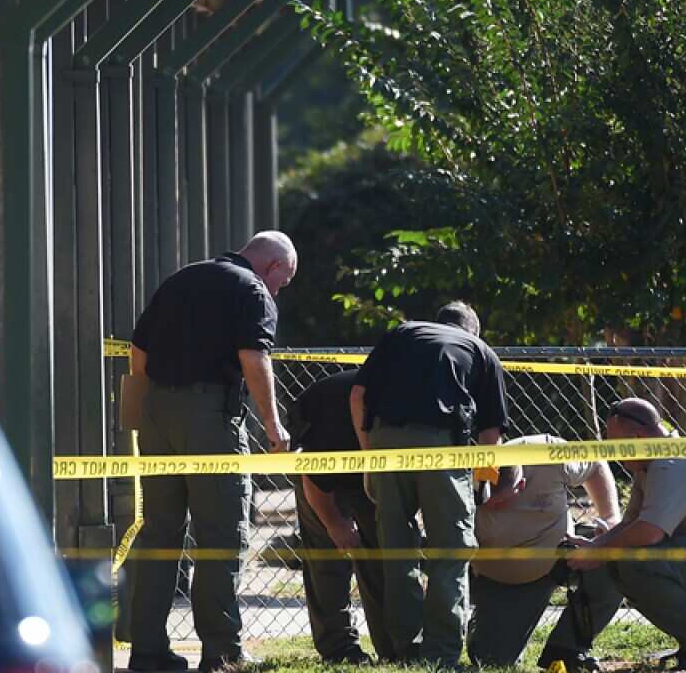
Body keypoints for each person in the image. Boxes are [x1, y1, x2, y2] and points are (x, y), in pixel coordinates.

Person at [127, 231, 297, 673]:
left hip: (156, 413)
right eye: (284, 280)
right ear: (273, 265)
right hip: (209, 418)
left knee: (160, 535)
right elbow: (254, 357)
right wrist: (273, 425)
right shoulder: (254, 291)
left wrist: (145, 409)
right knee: (220, 536)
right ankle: (221, 653)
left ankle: (147, 653)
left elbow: (138, 352)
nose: (280, 290)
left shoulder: (182, 278)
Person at [349, 301, 509, 667]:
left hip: (385, 441)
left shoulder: (402, 333)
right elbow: (491, 431)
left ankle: (406, 647)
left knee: (397, 548)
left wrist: (369, 459)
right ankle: (441, 653)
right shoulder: (480, 350)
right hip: (442, 446)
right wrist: (481, 483)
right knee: (451, 550)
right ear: (472, 330)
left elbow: (358, 395)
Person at [569, 398, 686, 671]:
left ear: (636, 438)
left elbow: (648, 533)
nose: (613, 454)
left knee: (634, 561)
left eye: (614, 445)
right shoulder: (652, 463)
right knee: (623, 557)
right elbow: (633, 523)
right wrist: (596, 544)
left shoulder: (672, 463)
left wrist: (600, 551)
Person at [468, 435, 623, 672]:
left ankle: (567, 649)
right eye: (484, 500)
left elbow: (595, 464)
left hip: (559, 553)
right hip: (498, 578)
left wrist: (611, 519)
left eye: (499, 503)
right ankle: (480, 626)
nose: (490, 507)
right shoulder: (465, 468)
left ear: (521, 484)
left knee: (614, 558)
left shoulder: (548, 454)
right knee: (493, 661)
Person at [289, 369, 396, 664]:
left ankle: (392, 647)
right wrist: (335, 523)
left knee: (380, 554)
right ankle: (339, 649)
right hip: (322, 461)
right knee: (328, 555)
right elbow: (314, 475)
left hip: (369, 470)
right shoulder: (334, 417)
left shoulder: (411, 410)